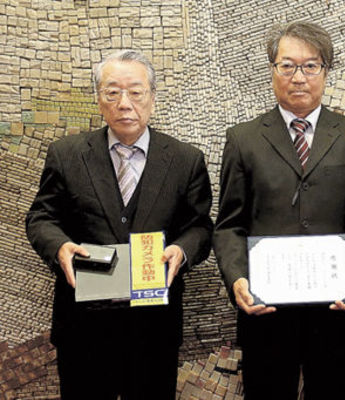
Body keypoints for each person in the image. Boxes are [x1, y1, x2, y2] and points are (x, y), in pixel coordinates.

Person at [26, 50, 213, 400]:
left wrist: (182, 250)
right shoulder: (66, 154)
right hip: (83, 325)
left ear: (152, 97)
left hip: (154, 328)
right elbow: (41, 217)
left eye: (136, 92)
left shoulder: (185, 160)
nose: (124, 103)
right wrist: (59, 247)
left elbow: (200, 227)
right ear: (99, 99)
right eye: (112, 92)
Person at [213, 21, 345, 400]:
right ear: (272, 70)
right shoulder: (243, 139)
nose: (299, 77)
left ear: (326, 70)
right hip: (266, 313)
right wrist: (237, 278)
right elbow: (229, 225)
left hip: (336, 311)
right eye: (287, 66)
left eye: (310, 66)